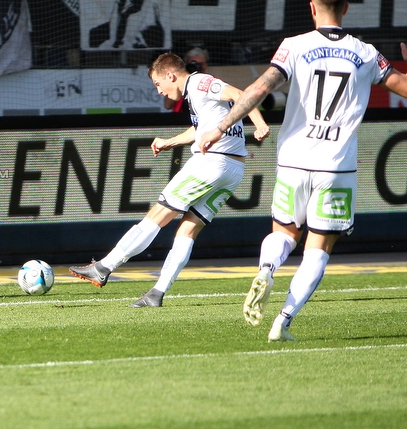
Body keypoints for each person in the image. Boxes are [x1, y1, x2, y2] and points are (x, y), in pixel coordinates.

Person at [198, 0, 407, 341]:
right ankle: (283, 321)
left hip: (292, 160)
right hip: (336, 166)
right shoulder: (365, 53)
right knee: (318, 246)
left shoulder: (294, 46)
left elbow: (260, 87)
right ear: (346, 8)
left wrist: (220, 126)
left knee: (284, 232)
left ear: (311, 7)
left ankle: (267, 269)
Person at [69, 52, 270, 306]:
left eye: (158, 84)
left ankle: (103, 267)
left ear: (171, 75)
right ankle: (157, 293)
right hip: (233, 170)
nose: (159, 91)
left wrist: (260, 124)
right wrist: (169, 142)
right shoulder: (197, 94)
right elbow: (201, 129)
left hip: (210, 162)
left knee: (157, 216)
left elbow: (241, 95)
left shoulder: (200, 83)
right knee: (188, 229)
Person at [166, 46, 209, 112]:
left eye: (200, 64)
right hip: (182, 118)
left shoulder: (213, 81)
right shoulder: (179, 82)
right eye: (193, 64)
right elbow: (167, 105)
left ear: (205, 64)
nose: (197, 66)